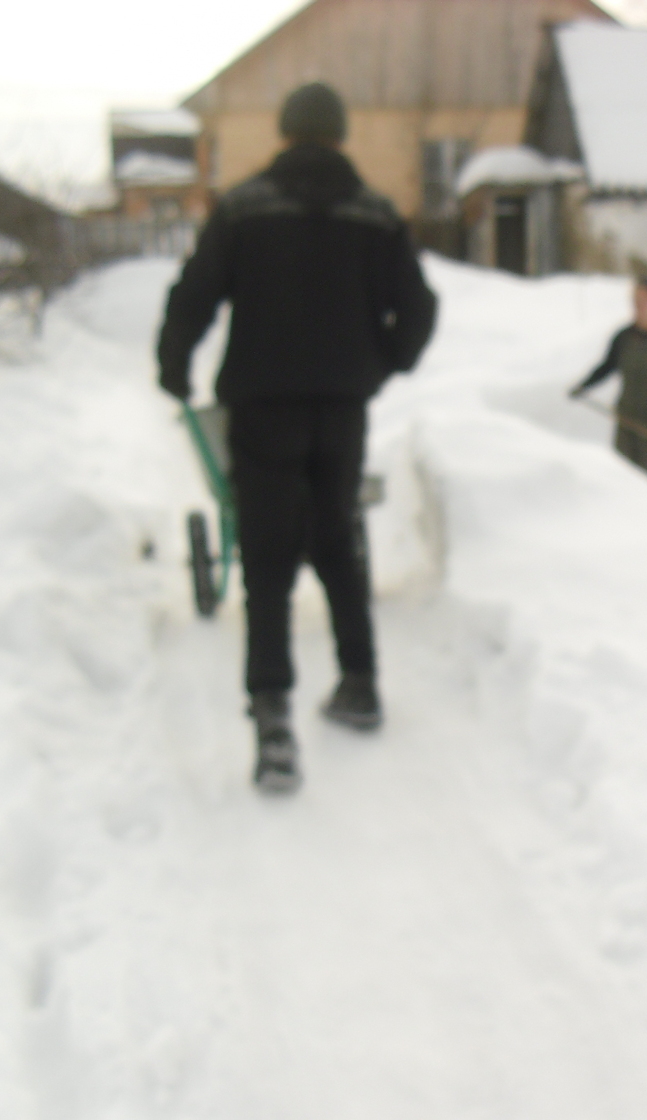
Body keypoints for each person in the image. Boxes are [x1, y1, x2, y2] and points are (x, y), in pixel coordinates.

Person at [157, 82, 437, 795]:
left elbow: (194, 293)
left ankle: (274, 723)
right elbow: (419, 309)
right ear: (339, 137)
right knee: (337, 540)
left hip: (262, 403)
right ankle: (360, 684)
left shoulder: (245, 206)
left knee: (268, 559)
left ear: (285, 134)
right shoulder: (375, 214)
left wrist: (174, 366)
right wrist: (380, 364)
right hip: (341, 406)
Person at [569, 276, 647, 484]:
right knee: (623, 480)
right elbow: (607, 366)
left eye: (643, 298)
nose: (638, 304)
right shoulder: (624, 337)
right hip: (626, 420)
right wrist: (583, 387)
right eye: (635, 298)